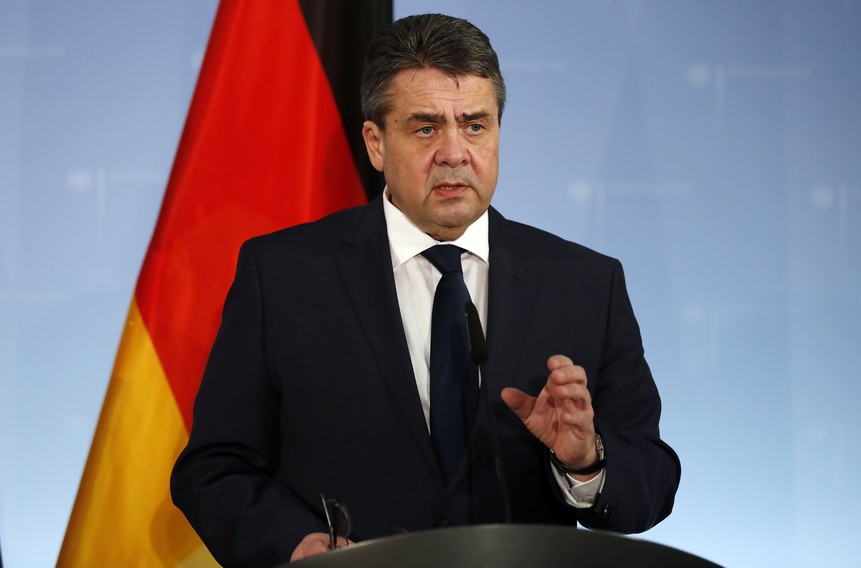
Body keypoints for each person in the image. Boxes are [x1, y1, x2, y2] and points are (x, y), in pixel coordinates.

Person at [171, 13, 680, 567]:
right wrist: (299, 547)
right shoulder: (283, 276)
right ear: (375, 143)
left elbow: (651, 480)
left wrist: (586, 462)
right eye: (425, 127)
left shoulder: (585, 284)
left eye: (476, 125)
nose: (455, 153)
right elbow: (214, 468)